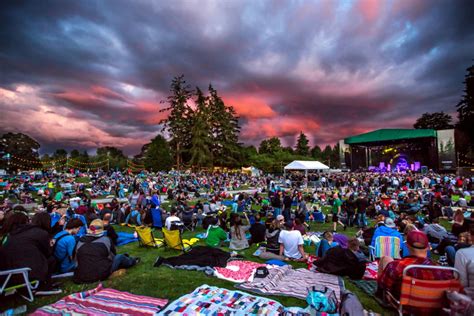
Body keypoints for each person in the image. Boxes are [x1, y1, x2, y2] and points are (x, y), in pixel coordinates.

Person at [377, 231, 454, 310]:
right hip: (433, 308)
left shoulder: (397, 266)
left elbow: (383, 285)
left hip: (404, 307)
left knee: (386, 258)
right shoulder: (444, 272)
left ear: (407, 245)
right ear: (428, 247)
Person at [0, 209, 60, 294]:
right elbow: (47, 253)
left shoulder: (13, 234)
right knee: (51, 260)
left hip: (8, 273)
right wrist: (50, 245)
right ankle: (45, 286)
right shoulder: (40, 233)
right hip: (24, 272)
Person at [74, 219, 139, 283]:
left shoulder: (80, 241)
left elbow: (77, 259)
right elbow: (113, 256)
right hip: (101, 273)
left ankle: (126, 258)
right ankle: (133, 261)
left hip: (80, 276)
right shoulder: (106, 240)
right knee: (119, 257)